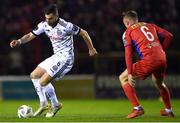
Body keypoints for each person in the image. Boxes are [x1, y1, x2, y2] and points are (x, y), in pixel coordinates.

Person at [10, 4, 97, 118]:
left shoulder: (66, 26)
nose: (48, 21)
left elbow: (84, 33)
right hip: (56, 56)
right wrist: (19, 41)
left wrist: (91, 48)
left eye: (50, 18)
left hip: (66, 59)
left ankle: (55, 105)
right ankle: (44, 104)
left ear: (56, 16)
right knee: (34, 75)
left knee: (42, 82)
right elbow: (31, 35)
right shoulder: (44, 25)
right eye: (46, 18)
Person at [119, 10, 174, 119]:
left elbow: (128, 54)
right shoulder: (150, 25)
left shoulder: (128, 32)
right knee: (159, 83)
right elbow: (169, 36)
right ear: (137, 19)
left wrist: (130, 73)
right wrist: (161, 50)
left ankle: (137, 108)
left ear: (127, 22)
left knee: (123, 78)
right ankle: (168, 110)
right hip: (162, 59)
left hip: (149, 60)